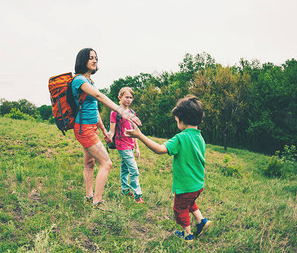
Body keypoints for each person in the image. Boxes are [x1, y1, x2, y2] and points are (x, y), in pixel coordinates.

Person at [125, 95, 211, 241]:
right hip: (198, 184)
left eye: (176, 119)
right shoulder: (199, 137)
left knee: (180, 208)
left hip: (185, 186)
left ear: (182, 119)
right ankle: (201, 221)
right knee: (190, 202)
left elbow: (159, 149)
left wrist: (140, 135)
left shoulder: (180, 138)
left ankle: (187, 234)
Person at [71, 48, 141, 212]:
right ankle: (98, 202)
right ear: (82, 61)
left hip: (91, 128)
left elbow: (94, 109)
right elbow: (99, 97)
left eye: (96, 58)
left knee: (89, 164)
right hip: (83, 129)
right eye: (90, 58)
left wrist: (103, 130)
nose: (95, 61)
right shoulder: (79, 80)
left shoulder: (90, 82)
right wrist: (123, 112)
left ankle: (89, 198)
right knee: (106, 163)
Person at [109, 87, 145, 203]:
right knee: (134, 170)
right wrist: (108, 135)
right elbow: (112, 130)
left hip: (131, 144)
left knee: (125, 168)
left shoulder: (132, 113)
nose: (129, 100)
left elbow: (135, 132)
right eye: (126, 97)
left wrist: (137, 148)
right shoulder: (115, 112)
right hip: (121, 144)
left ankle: (125, 190)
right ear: (120, 97)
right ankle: (137, 195)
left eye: (131, 98)